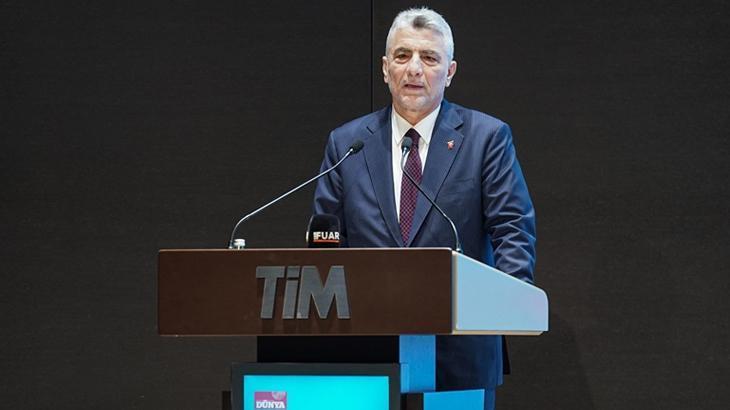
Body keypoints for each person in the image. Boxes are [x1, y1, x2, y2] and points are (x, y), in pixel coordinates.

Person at [313, 7, 536, 409]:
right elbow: (326, 242)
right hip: (367, 355)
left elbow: (513, 229)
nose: (414, 68)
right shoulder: (347, 143)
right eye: (403, 56)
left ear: (449, 72)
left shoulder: (486, 138)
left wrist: (509, 302)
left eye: (429, 58)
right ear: (386, 69)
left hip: (459, 356)